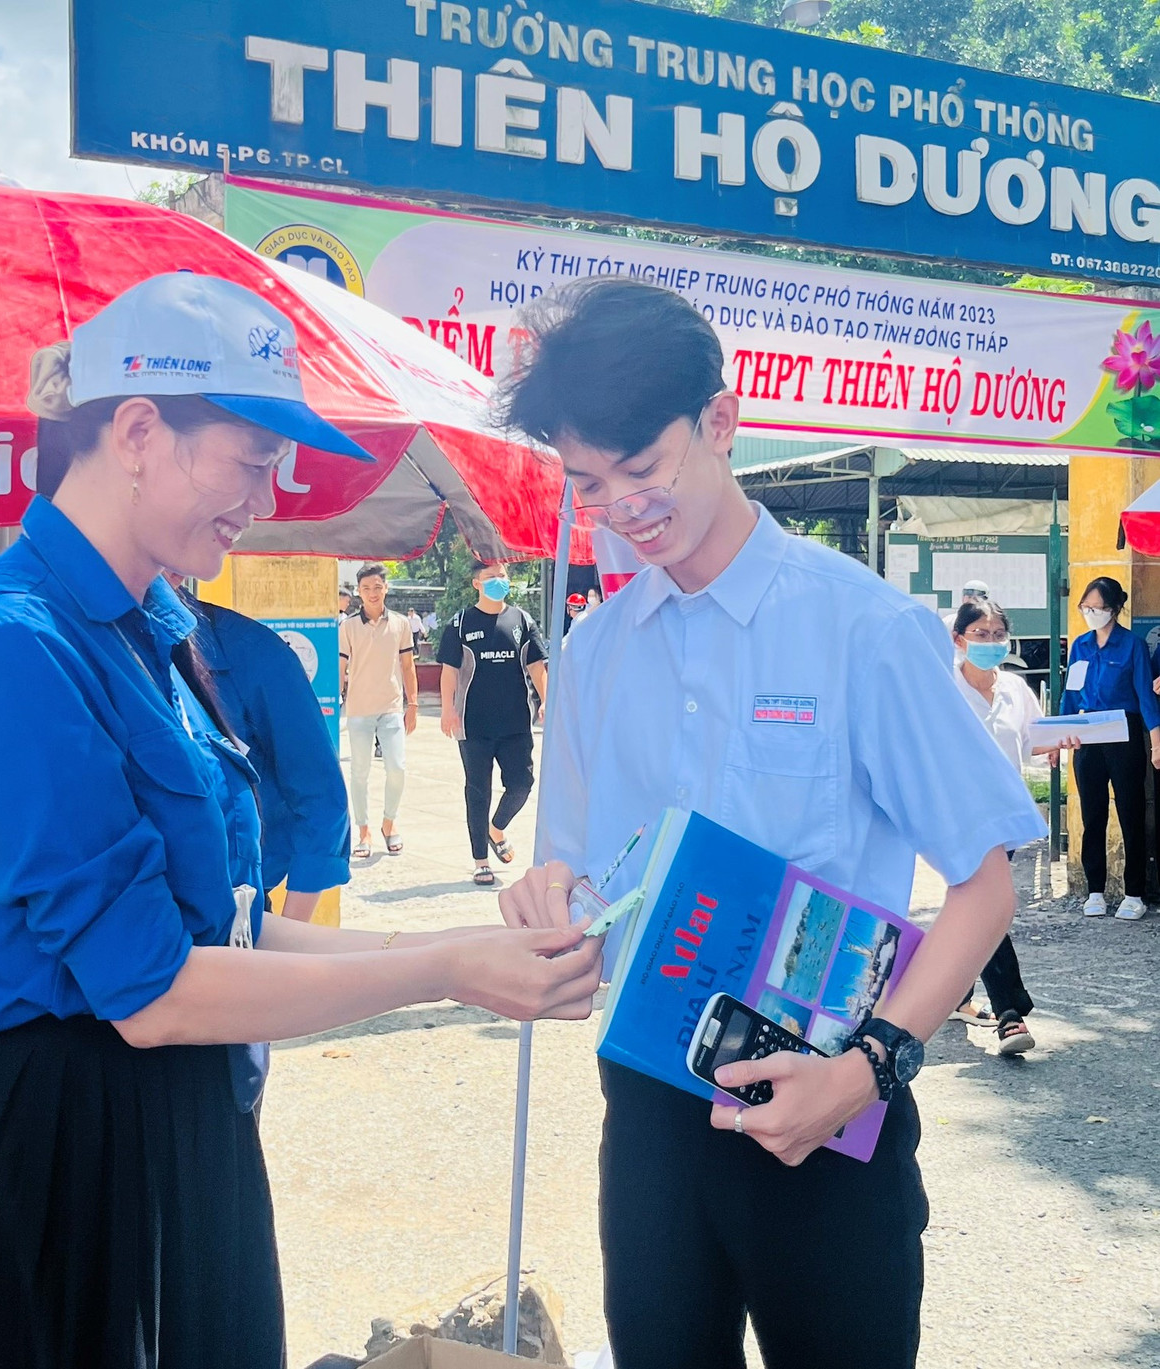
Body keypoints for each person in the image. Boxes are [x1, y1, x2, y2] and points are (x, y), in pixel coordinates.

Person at [0, 273, 604, 1369]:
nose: (264, 496)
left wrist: (459, 946)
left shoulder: (160, 633)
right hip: (49, 1163)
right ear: (141, 430)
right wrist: (443, 970)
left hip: (180, 1128)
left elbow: (226, 924)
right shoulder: (9, 648)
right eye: (250, 459)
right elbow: (152, 988)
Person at [496, 278, 1043, 1369]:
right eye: (587, 483)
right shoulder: (597, 651)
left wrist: (870, 1065)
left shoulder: (863, 630)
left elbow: (987, 882)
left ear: (720, 421)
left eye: (641, 470)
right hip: (651, 1112)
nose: (621, 507)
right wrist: (543, 902)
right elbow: (573, 873)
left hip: (829, 1100)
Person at [175, 578, 350, 923]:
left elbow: (321, 798)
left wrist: (286, 934)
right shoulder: (79, 647)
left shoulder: (252, 653)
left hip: (236, 914)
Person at [950, 598, 1078, 1055]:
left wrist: (1058, 743)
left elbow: (1032, 745)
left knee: (972, 906)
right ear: (959, 639)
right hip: (954, 816)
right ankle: (1010, 1013)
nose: (988, 642)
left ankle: (956, 994)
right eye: (979, 634)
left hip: (1001, 816)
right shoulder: (942, 690)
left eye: (997, 635)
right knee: (985, 905)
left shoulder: (1017, 690)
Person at [437, 559, 549, 886]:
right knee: (477, 791)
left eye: (502, 576)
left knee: (522, 784)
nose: (498, 580)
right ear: (477, 583)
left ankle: (495, 827)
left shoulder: (522, 620)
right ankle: (480, 860)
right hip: (473, 725)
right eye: (491, 577)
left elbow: (537, 666)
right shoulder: (460, 622)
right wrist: (447, 708)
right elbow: (450, 670)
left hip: (516, 723)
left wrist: (547, 701)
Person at [1061, 575, 1159, 920]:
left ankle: (1134, 892)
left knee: (1131, 813)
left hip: (1123, 732)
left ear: (1116, 609)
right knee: (1093, 816)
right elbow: (1071, 695)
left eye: (1098, 607)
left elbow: (1146, 696)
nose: (1091, 613)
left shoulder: (1132, 645)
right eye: (1085, 607)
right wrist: (1059, 735)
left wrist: (1156, 741)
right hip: (1087, 735)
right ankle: (1095, 891)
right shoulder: (1080, 645)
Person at [340, 562, 417, 858]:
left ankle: (389, 823)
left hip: (392, 707)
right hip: (359, 709)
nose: (372, 593)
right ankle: (364, 830)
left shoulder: (400, 624)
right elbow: (341, 668)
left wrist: (414, 704)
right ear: (359, 592)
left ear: (386, 588)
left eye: (377, 587)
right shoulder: (347, 627)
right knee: (359, 773)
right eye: (365, 588)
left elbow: (408, 667)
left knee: (397, 768)